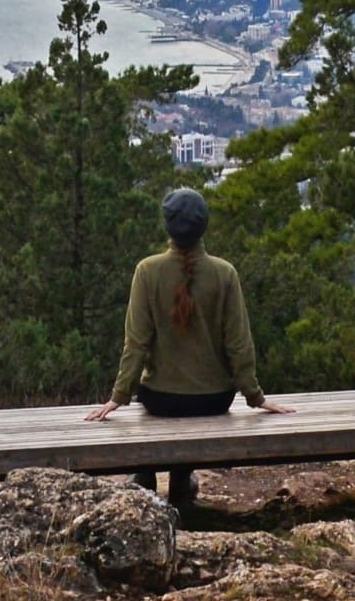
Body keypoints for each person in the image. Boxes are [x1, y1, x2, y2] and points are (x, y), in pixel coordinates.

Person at [84, 187, 292, 507]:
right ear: (204, 226)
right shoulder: (225, 273)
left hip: (160, 399)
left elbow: (136, 343)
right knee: (190, 405)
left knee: (157, 400)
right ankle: (181, 479)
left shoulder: (147, 271)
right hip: (214, 399)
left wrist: (119, 397)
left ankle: (146, 475)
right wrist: (255, 397)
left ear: (167, 225)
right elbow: (239, 343)